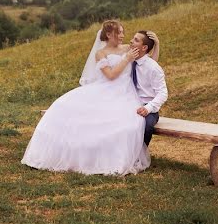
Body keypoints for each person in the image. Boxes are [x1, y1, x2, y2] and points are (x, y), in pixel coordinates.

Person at [21, 20, 150, 175]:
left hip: (125, 93)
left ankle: (112, 156)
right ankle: (71, 155)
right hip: (106, 88)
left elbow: (149, 59)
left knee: (123, 120)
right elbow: (110, 75)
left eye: (123, 32)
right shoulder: (101, 53)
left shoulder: (128, 49)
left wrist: (155, 43)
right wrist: (126, 59)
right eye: (119, 32)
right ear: (109, 34)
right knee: (62, 106)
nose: (122, 35)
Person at [129, 30, 168, 146]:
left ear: (144, 47)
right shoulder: (128, 61)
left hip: (148, 108)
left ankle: (139, 155)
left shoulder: (153, 68)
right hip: (129, 104)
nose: (131, 41)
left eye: (136, 40)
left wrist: (148, 108)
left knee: (146, 125)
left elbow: (163, 93)